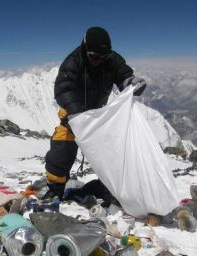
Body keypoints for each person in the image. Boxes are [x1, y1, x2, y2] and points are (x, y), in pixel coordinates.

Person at [43, 26, 146, 199]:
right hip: (73, 118)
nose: (98, 60)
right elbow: (62, 89)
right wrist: (76, 114)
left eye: (102, 57)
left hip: (99, 118)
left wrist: (131, 83)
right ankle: (55, 188)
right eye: (94, 56)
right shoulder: (73, 62)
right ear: (85, 48)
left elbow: (123, 76)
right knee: (62, 148)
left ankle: (111, 188)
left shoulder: (112, 60)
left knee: (113, 151)